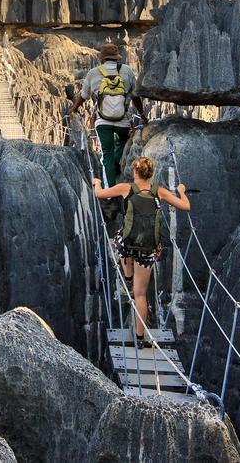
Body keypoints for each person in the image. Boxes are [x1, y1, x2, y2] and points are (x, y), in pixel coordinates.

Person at [92, 156, 189, 348]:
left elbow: (99, 194)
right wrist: (181, 191)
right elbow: (186, 206)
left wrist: (97, 182)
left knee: (119, 239)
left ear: (135, 172)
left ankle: (127, 275)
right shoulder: (158, 192)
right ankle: (139, 337)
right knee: (141, 295)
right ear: (151, 174)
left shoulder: (126, 188)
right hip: (147, 250)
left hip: (128, 244)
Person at [69, 43, 145, 187]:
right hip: (124, 121)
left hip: (102, 122)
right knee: (122, 143)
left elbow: (83, 96)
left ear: (102, 59)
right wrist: (142, 114)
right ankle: (118, 169)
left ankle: (112, 189)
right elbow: (135, 96)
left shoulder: (93, 73)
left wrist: (74, 108)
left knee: (107, 155)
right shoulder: (127, 71)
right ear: (116, 59)